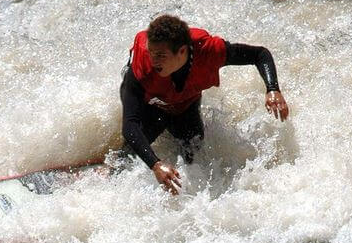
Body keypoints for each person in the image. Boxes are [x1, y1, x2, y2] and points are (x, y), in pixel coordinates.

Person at [120, 14, 289, 195]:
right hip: (152, 105)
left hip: (186, 104)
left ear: (182, 51)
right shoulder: (141, 70)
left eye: (161, 55)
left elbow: (259, 54)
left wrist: (273, 89)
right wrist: (156, 164)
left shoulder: (209, 51)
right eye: (152, 52)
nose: (154, 60)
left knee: (193, 155)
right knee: (127, 156)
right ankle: (106, 169)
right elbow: (130, 124)